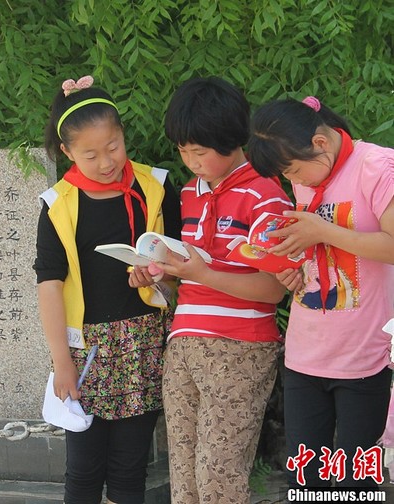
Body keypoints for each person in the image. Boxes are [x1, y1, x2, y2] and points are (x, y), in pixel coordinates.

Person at [34, 75, 181, 504]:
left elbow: (182, 269)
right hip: (85, 351)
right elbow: (49, 285)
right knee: (82, 470)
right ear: (67, 153)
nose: (106, 162)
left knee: (130, 469)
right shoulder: (57, 205)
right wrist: (61, 361)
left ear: (123, 134)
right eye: (90, 154)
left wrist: (160, 277)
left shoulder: (155, 186)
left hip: (145, 343)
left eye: (113, 147)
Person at [156, 76, 291, 504]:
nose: (190, 161)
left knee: (219, 476)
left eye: (199, 152)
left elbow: (273, 290)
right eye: (183, 151)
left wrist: (204, 273)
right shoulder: (189, 194)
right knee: (184, 473)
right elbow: (187, 274)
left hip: (240, 347)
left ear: (232, 140)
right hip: (184, 343)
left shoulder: (266, 195)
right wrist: (159, 273)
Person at [247, 96, 394, 488]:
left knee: (354, 485)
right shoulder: (304, 175)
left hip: (364, 355)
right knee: (306, 483)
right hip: (306, 353)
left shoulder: (376, 167)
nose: (296, 181)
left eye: (294, 171)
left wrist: (322, 231)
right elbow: (316, 251)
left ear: (321, 144)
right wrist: (292, 270)